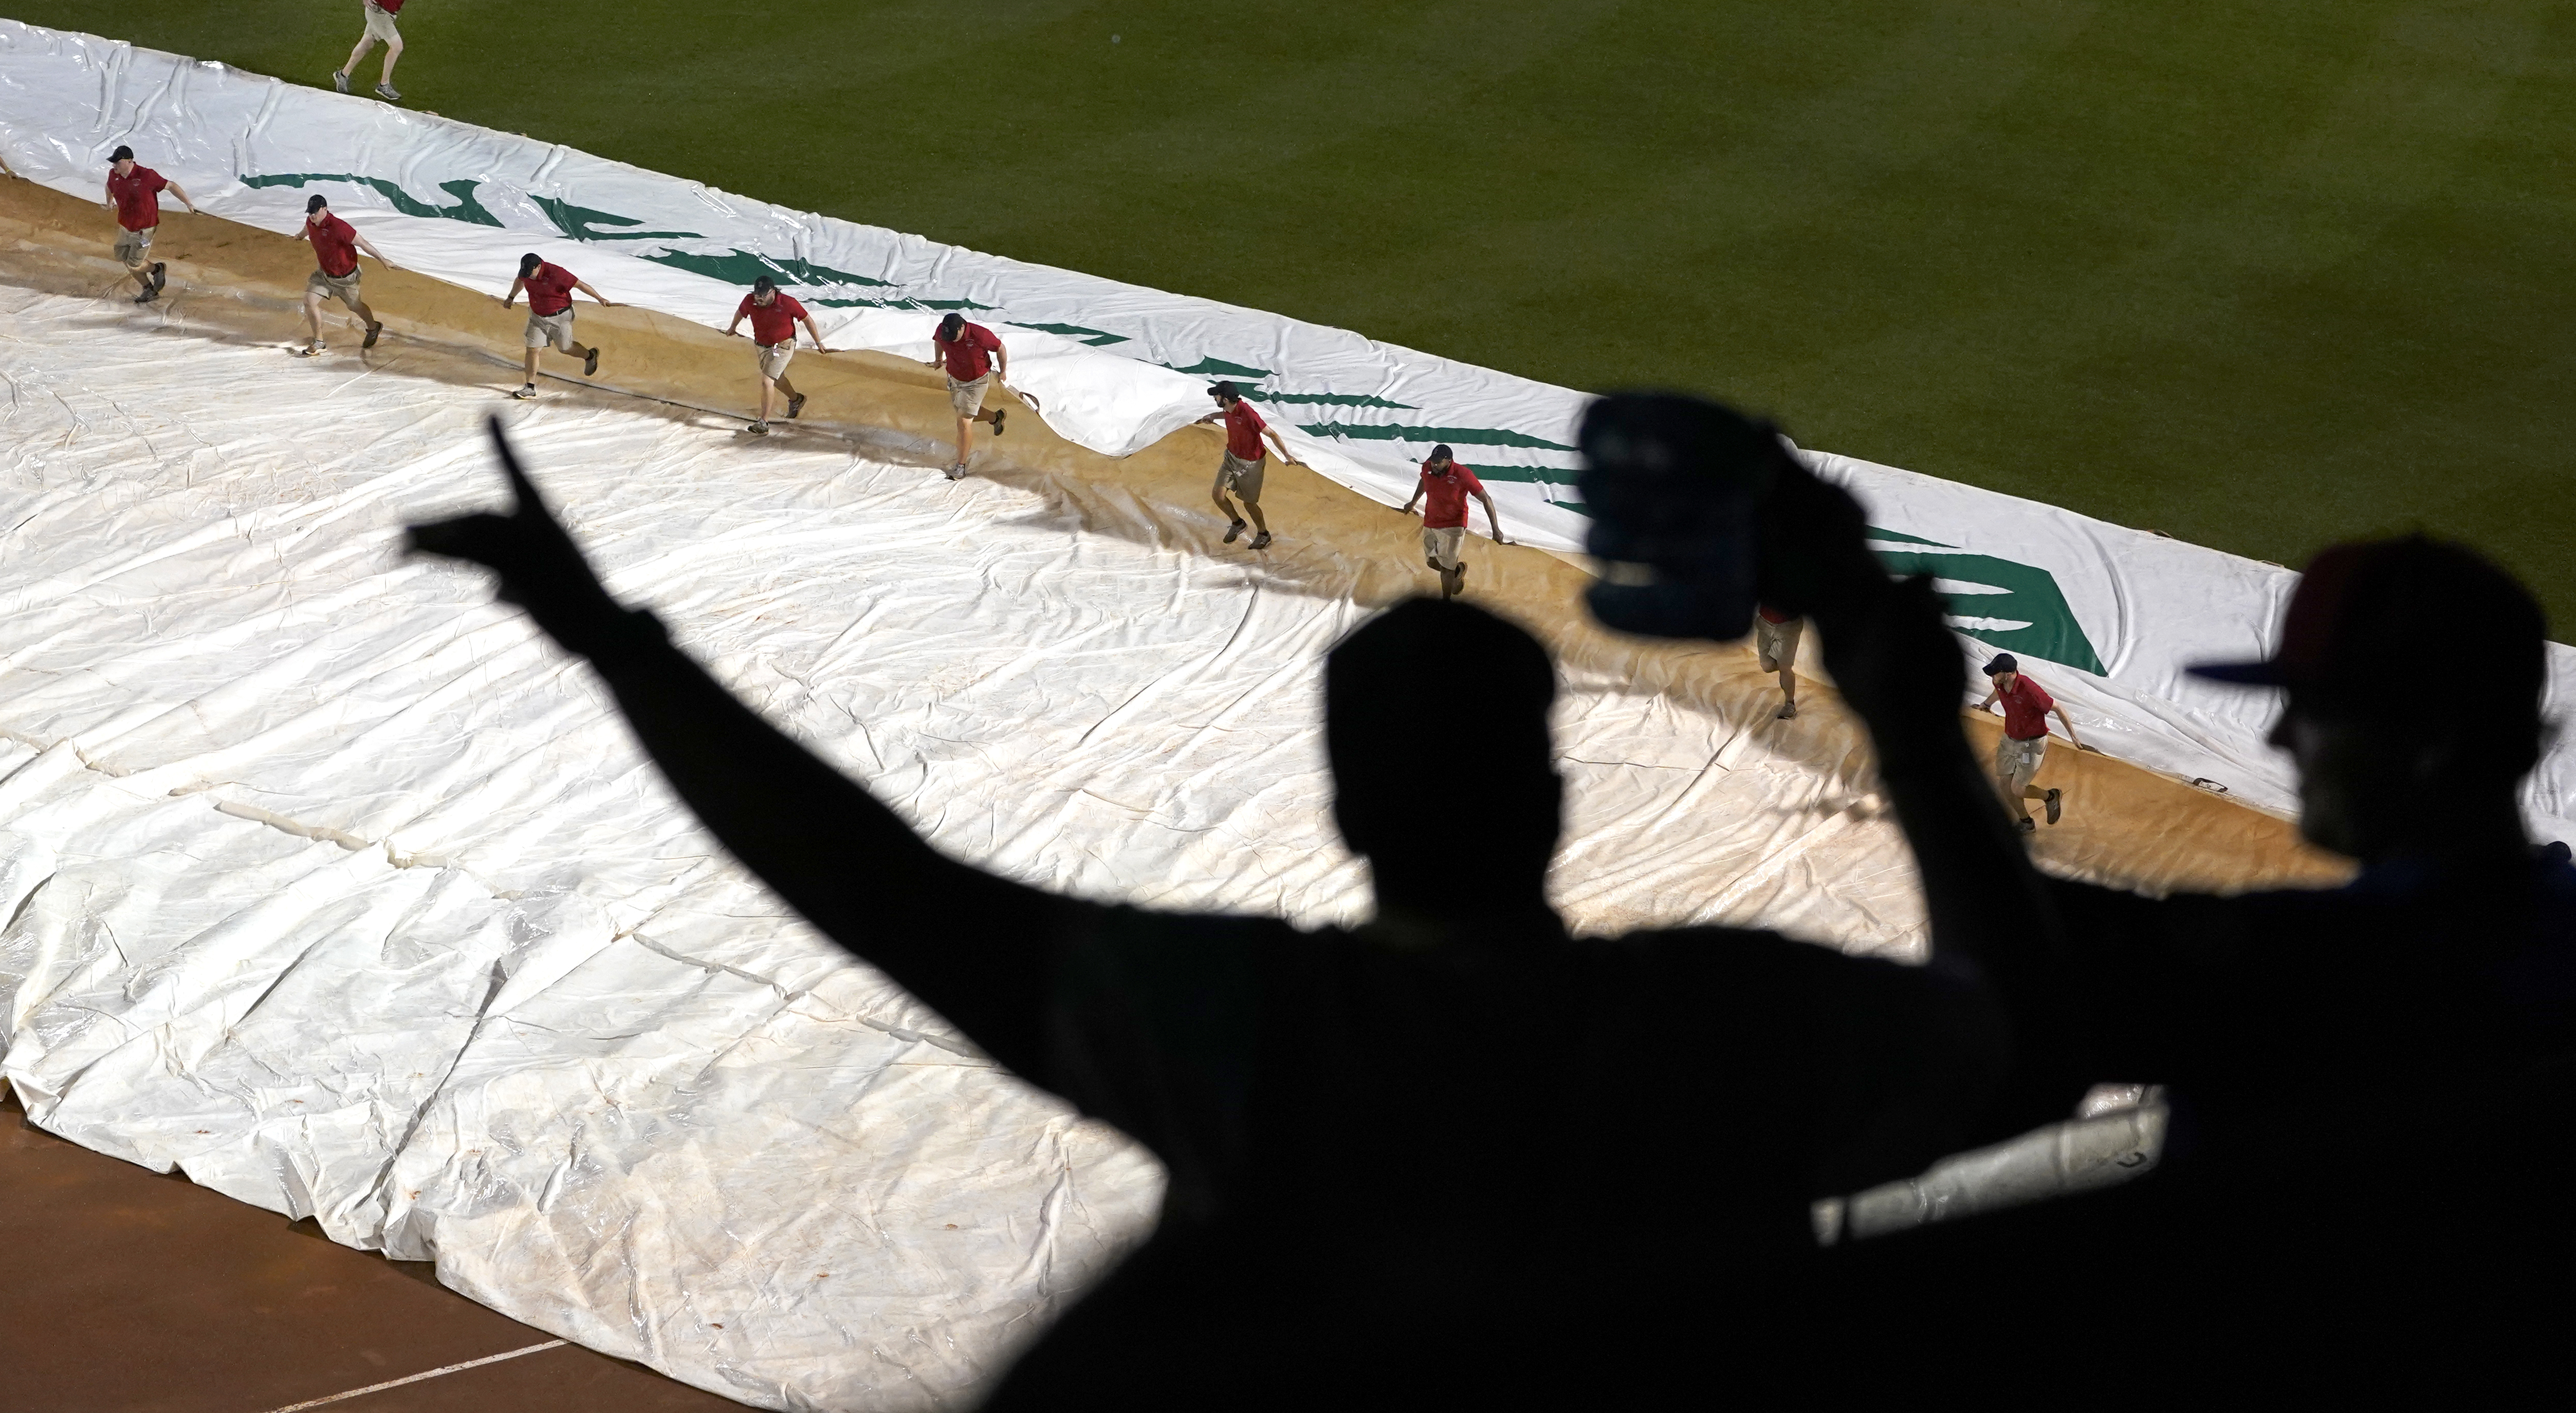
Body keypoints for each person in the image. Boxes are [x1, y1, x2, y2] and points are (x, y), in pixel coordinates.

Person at [406, 417, 2070, 1408]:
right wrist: (1903, 706)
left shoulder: (1247, 1025)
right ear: (1558, 797)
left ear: (1343, 812)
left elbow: (883, 889)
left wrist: (612, 638)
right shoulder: (1733, 1025)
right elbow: (2025, 1035)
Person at [1842, 535, 2576, 1388]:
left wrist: (1913, 737)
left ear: (2432, 741)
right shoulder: (2536, 931)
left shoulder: (2312, 973)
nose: (2279, 736)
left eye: (2316, 708)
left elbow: (2014, 1006)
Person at [1972, 653, 2085, 830]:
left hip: (2031, 745)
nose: (1992, 677)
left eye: (1996, 673)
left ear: (2008, 673)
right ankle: (2026, 822)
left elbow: (2058, 707)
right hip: (2009, 740)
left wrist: (2073, 736)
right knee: (2005, 786)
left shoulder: (2030, 690)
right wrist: (1986, 705)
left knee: (2018, 789)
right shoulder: (1999, 682)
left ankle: (2051, 796)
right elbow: (1998, 692)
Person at [1193, 382, 1300, 549]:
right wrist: (1212, 416)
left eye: (1217, 396)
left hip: (1251, 464)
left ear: (1226, 399)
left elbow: (1271, 433)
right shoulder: (1229, 408)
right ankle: (1238, 523)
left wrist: (1286, 455)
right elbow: (1226, 414)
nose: (1215, 397)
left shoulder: (1248, 413)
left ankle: (1263, 534)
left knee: (1249, 504)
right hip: (1231, 457)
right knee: (1218, 495)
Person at [1395, 444, 1508, 599]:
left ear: (1449, 461)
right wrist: (1413, 502)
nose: (1434, 465)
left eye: (1438, 462)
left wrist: (1496, 530)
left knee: (1446, 569)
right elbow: (1424, 482)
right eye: (1433, 461)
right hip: (1431, 521)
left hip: (1454, 526)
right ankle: (1457, 571)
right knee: (1432, 562)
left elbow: (1486, 499)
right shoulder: (1428, 468)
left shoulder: (1463, 475)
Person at [722, 275, 827, 435]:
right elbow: (741, 312)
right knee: (777, 379)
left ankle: (764, 422)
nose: (760, 298)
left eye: (764, 295)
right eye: (758, 294)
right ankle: (796, 399)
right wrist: (732, 328)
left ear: (773, 292)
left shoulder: (787, 302)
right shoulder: (750, 300)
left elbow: (807, 319)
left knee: (767, 381)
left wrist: (818, 342)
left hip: (784, 345)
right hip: (762, 346)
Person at [500, 252, 611, 399]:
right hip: (537, 317)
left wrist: (600, 299)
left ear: (539, 266)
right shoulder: (526, 273)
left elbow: (580, 285)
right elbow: (519, 281)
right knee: (532, 350)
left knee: (566, 348)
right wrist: (511, 297)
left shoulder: (556, 273)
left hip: (561, 317)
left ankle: (590, 355)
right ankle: (530, 387)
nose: (528, 276)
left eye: (530, 273)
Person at [295, 194, 385, 357]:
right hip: (324, 275)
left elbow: (363, 243)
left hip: (347, 279)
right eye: (310, 213)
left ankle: (373, 328)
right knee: (309, 301)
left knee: (355, 306)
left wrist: (384, 260)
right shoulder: (311, 222)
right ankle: (319, 342)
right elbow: (307, 228)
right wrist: (300, 236)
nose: (312, 216)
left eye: (315, 212)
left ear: (325, 209)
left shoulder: (339, 227)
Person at [102, 146, 194, 305]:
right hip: (125, 226)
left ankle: (157, 269)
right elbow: (109, 186)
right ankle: (149, 289)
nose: (113, 166)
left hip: (144, 230)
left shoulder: (147, 176)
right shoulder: (114, 176)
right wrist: (110, 202)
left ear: (129, 161)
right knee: (122, 257)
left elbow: (171, 186)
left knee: (134, 264)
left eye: (117, 162)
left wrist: (189, 204)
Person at [334, 0, 424, 102]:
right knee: (397, 46)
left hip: (390, 15)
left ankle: (342, 75)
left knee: (367, 44)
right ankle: (384, 85)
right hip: (377, 12)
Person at [931, 311, 1010, 480]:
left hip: (976, 381)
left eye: (954, 336)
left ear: (962, 327)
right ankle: (996, 418)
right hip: (954, 377)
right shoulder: (943, 331)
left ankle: (961, 467)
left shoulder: (979, 335)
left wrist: (1003, 371)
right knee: (964, 411)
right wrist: (939, 359)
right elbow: (939, 341)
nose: (951, 339)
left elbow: (1000, 348)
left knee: (963, 421)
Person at [1757, 604, 1804, 720]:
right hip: (1765, 623)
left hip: (1789, 627)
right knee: (1767, 667)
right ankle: (1784, 665)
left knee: (1785, 668)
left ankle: (1790, 704)